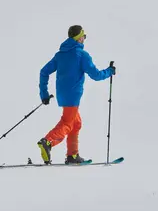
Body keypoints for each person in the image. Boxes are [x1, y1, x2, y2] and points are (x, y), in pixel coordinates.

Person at [38, 25, 115, 164]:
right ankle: (48, 142)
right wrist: (109, 71)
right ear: (79, 38)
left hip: (62, 95)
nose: (84, 39)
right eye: (84, 36)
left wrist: (44, 93)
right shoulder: (81, 55)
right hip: (73, 95)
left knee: (76, 123)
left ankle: (72, 156)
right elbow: (96, 75)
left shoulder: (60, 55)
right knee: (68, 123)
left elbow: (43, 72)